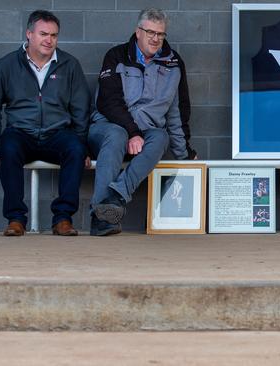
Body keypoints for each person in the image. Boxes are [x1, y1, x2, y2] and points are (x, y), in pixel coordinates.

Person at [0, 10, 91, 236]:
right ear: (29, 34)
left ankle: (63, 219)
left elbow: (81, 109)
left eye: (54, 35)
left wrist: (83, 146)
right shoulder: (7, 65)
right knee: (8, 147)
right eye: (43, 34)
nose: (49, 40)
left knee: (76, 148)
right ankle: (15, 219)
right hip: (21, 133)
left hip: (57, 134)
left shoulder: (69, 64)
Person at [88, 8, 196, 236]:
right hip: (107, 128)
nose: (155, 38)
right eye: (150, 32)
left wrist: (184, 154)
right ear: (138, 32)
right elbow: (109, 102)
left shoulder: (173, 63)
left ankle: (114, 198)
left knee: (161, 136)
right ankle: (101, 218)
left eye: (161, 34)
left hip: (146, 134)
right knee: (116, 135)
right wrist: (132, 132)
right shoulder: (116, 56)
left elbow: (176, 113)